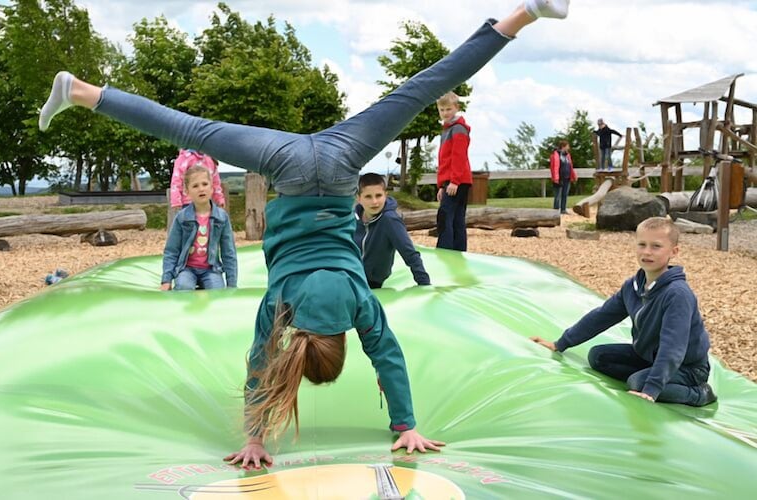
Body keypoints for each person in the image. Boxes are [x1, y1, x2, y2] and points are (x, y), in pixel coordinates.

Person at [39, 0, 569, 468]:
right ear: (301, 346)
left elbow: (389, 358)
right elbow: (257, 364)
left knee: (418, 91)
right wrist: (254, 436)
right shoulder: (282, 307)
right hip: (287, 167)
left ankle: (524, 13)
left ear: (339, 343)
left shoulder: (358, 302)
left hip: (340, 164)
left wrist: (406, 425)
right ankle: (82, 92)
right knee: (191, 130)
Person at [530, 217, 717, 407]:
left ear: (673, 252)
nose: (647, 252)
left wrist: (651, 389)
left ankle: (699, 394)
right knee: (598, 356)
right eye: (642, 244)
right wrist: (560, 343)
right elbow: (602, 316)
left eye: (656, 246)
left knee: (638, 383)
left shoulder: (677, 294)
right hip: (648, 357)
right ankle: (649, 376)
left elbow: (673, 347)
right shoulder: (633, 286)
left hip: (688, 367)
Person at [161, 165, 238, 291]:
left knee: (217, 290)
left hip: (211, 269)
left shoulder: (221, 217)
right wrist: (166, 280)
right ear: (187, 191)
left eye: (205, 184)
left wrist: (232, 284)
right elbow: (171, 250)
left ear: (212, 187)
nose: (201, 189)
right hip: (187, 268)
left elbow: (228, 251)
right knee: (183, 286)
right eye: (195, 186)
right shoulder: (182, 218)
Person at [354, 173, 431, 288]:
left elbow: (408, 252)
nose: (374, 202)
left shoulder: (390, 220)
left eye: (378, 195)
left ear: (385, 195)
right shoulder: (352, 219)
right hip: (351, 275)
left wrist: (424, 284)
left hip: (372, 281)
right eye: (368, 197)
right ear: (359, 198)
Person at [436, 92, 472, 251]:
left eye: (448, 109)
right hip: (450, 181)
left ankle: (445, 251)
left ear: (456, 108)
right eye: (442, 110)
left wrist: (454, 181)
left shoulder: (458, 129)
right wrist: (441, 186)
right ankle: (458, 252)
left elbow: (459, 157)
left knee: (445, 217)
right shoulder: (447, 129)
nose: (445, 113)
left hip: (457, 181)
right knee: (456, 218)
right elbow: (444, 160)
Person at [549, 139, 577, 214]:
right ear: (563, 146)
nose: (568, 147)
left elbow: (570, 166)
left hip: (567, 178)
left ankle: (563, 210)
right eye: (567, 146)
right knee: (557, 195)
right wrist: (555, 178)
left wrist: (573, 175)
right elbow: (554, 167)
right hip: (559, 178)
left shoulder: (567, 155)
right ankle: (556, 210)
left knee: (565, 194)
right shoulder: (556, 155)